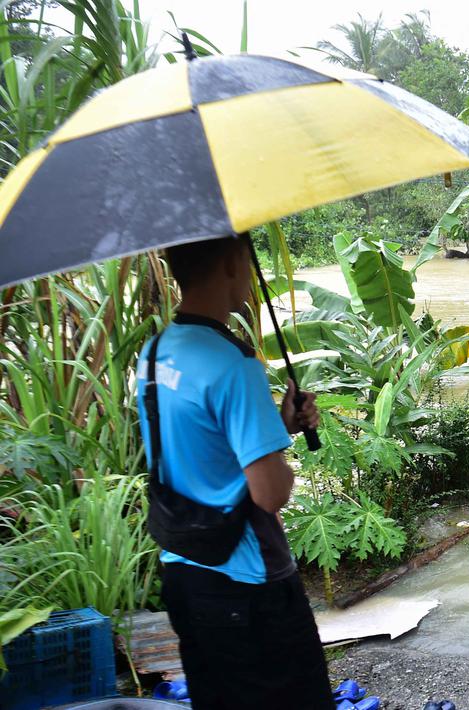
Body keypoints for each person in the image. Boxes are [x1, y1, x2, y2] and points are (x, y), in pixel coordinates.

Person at [136, 234, 333, 709]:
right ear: (232, 262)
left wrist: (277, 425)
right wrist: (281, 453)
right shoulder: (233, 363)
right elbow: (270, 493)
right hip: (244, 582)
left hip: (183, 569)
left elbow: (204, 451)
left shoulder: (156, 352)